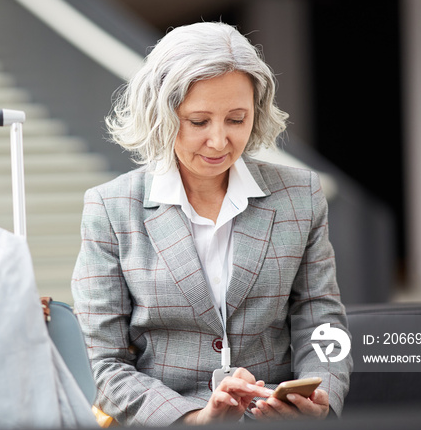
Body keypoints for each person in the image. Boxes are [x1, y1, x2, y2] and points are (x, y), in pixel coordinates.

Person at [71, 21, 351, 426]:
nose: (219, 142)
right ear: (161, 116)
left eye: (236, 120)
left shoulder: (300, 194)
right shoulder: (111, 208)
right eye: (199, 122)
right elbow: (100, 361)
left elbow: (322, 320)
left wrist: (322, 394)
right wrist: (193, 418)